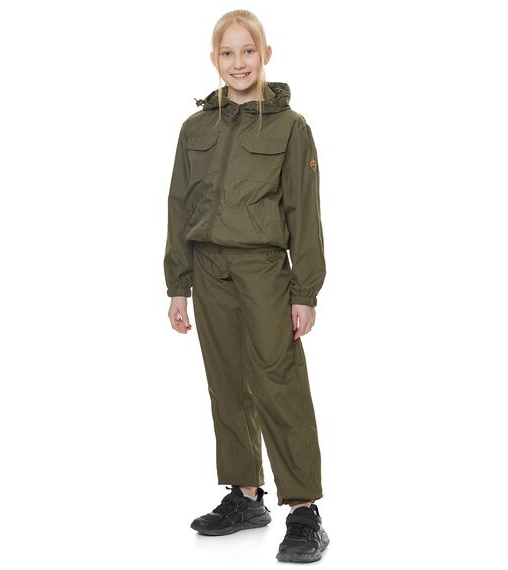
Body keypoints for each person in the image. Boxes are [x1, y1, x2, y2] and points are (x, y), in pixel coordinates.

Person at [163, 9, 329, 563]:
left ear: (266, 55)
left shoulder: (289, 127)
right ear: (215, 60)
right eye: (228, 53)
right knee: (227, 383)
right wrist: (178, 282)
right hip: (208, 268)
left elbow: (304, 213)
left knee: (278, 382)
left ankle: (303, 509)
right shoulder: (195, 128)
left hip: (263, 269)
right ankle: (245, 495)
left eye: (248, 51)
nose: (239, 63)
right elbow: (178, 204)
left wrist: (304, 291)